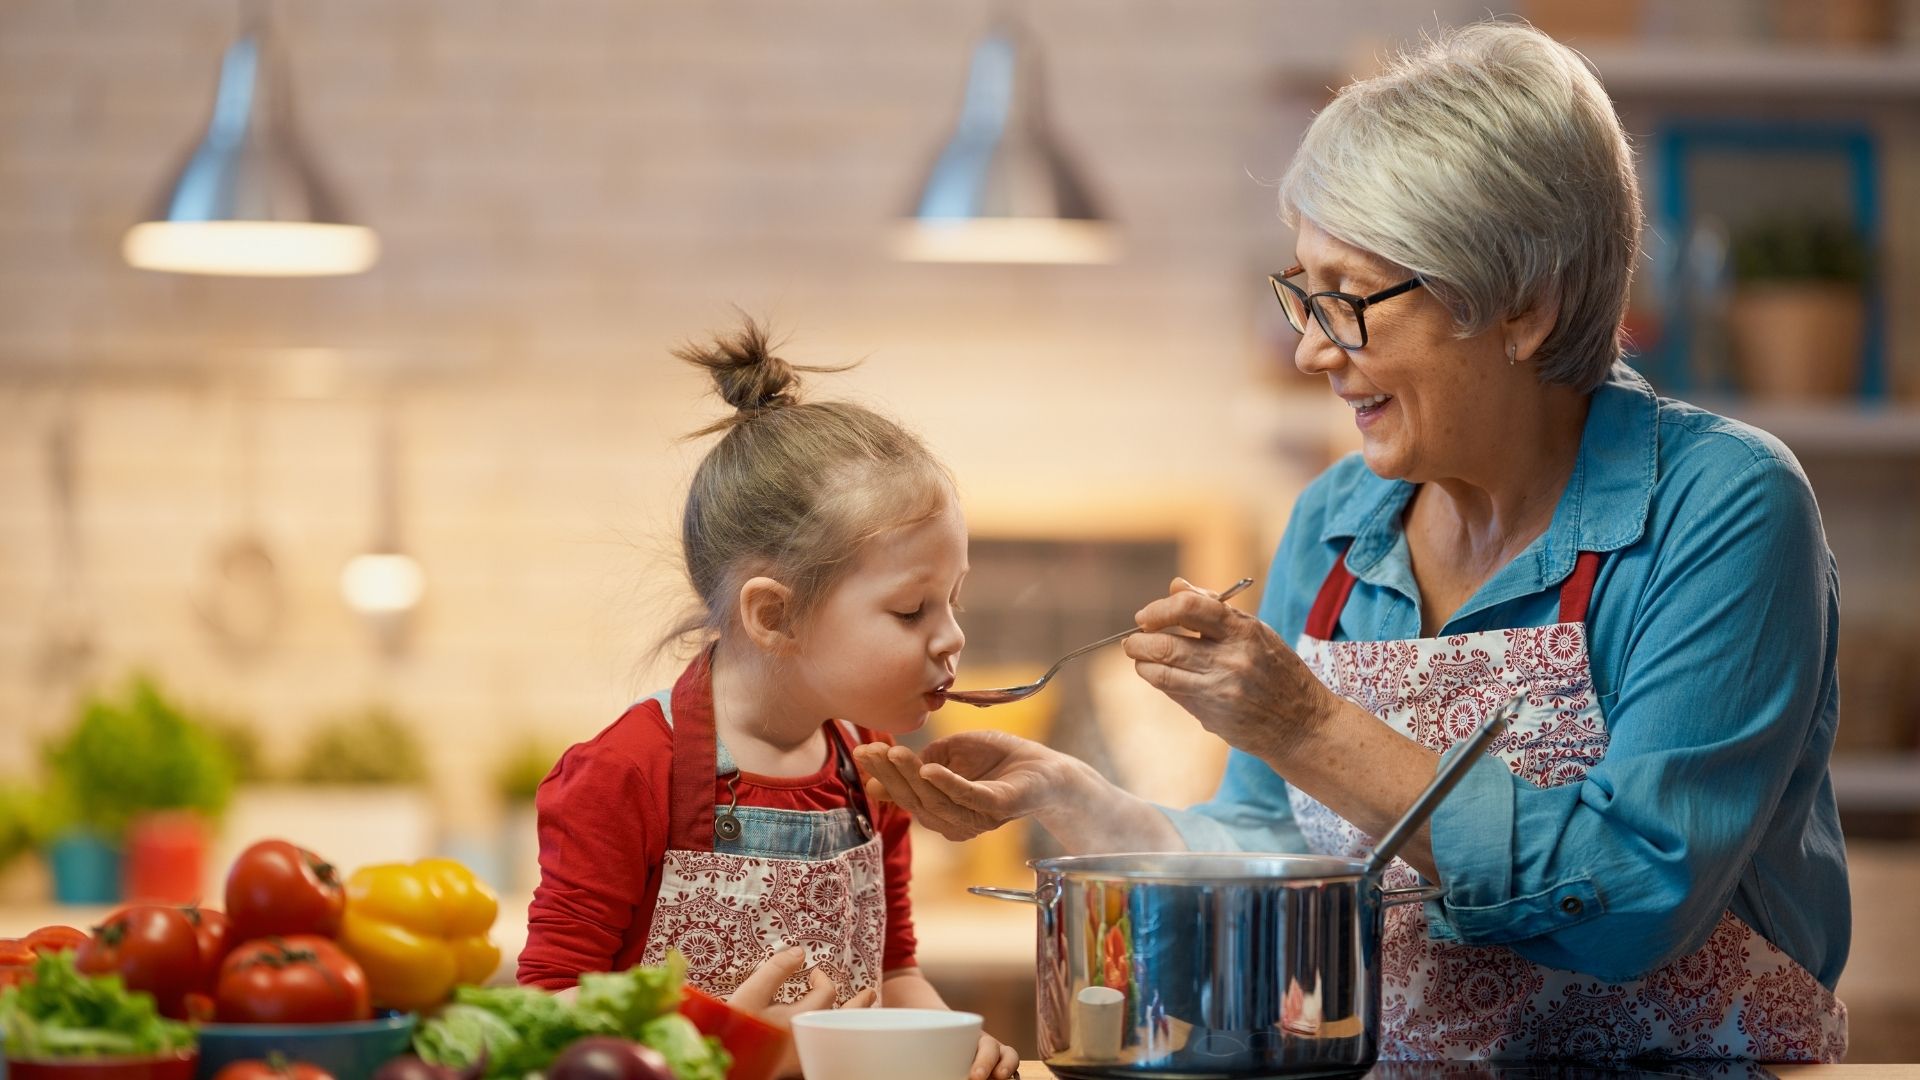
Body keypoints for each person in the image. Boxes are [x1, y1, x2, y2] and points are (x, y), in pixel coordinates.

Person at [859, 20, 1849, 1064]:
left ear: (1524, 303)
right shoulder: (1337, 523)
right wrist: (1074, 799)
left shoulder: (1722, 508)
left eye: (1348, 299)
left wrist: (1310, 727)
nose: (1308, 347)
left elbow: (1637, 896)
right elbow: (1272, 853)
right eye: (1302, 291)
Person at [519, 319, 1019, 1080]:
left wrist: (947, 1041)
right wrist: (723, 1046)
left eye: (954, 599)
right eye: (912, 610)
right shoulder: (623, 775)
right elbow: (550, 1016)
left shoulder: (872, 773)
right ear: (775, 615)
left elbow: (893, 975)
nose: (951, 637)